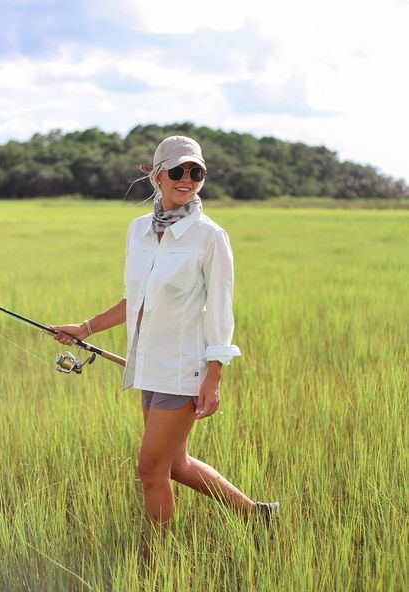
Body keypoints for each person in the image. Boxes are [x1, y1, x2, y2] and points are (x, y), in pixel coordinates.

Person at [51, 135, 279, 556]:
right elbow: (133, 300)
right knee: (175, 465)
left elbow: (220, 311)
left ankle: (158, 560)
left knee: (150, 470)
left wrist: (215, 372)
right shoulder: (138, 230)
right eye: (177, 171)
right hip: (149, 365)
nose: (187, 179)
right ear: (156, 175)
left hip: (185, 368)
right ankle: (257, 515)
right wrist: (85, 328)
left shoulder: (210, 236)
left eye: (196, 172)